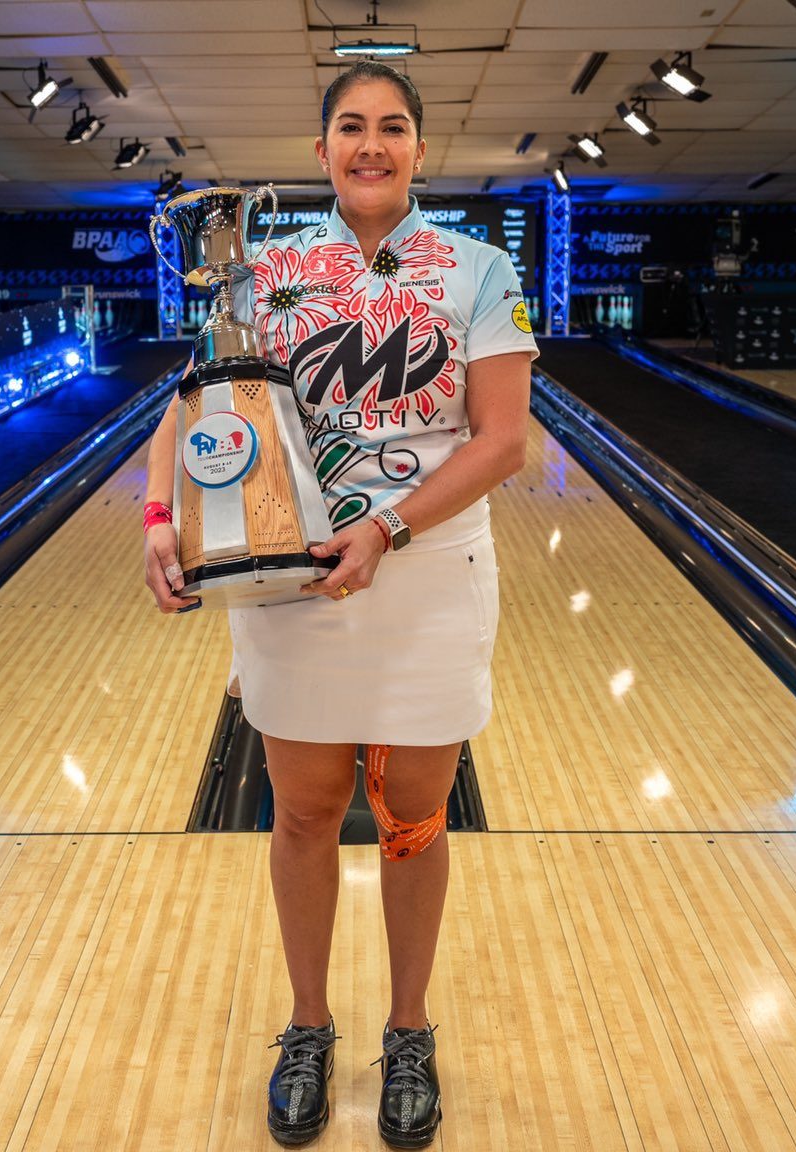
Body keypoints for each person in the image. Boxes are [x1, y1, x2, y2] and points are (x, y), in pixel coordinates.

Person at [140, 60, 537, 1148]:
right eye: (351, 128)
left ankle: (407, 1028)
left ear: (419, 151)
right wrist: (157, 519)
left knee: (412, 817)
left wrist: (387, 527)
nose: (371, 145)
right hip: (291, 577)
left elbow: (503, 439)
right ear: (320, 153)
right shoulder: (261, 274)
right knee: (305, 811)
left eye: (393, 128)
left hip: (430, 575)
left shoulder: (479, 269)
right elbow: (190, 410)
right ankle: (308, 1023)